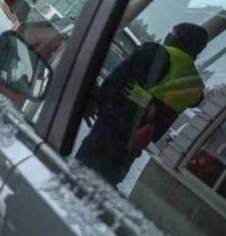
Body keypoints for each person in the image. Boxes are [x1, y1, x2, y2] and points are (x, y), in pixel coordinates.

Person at [75, 23, 208, 185]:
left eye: (170, 33)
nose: (166, 36)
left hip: (106, 136)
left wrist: (91, 101)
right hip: (131, 150)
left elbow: (114, 82)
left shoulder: (154, 54)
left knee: (76, 182)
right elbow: (187, 102)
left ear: (176, 39)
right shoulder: (194, 86)